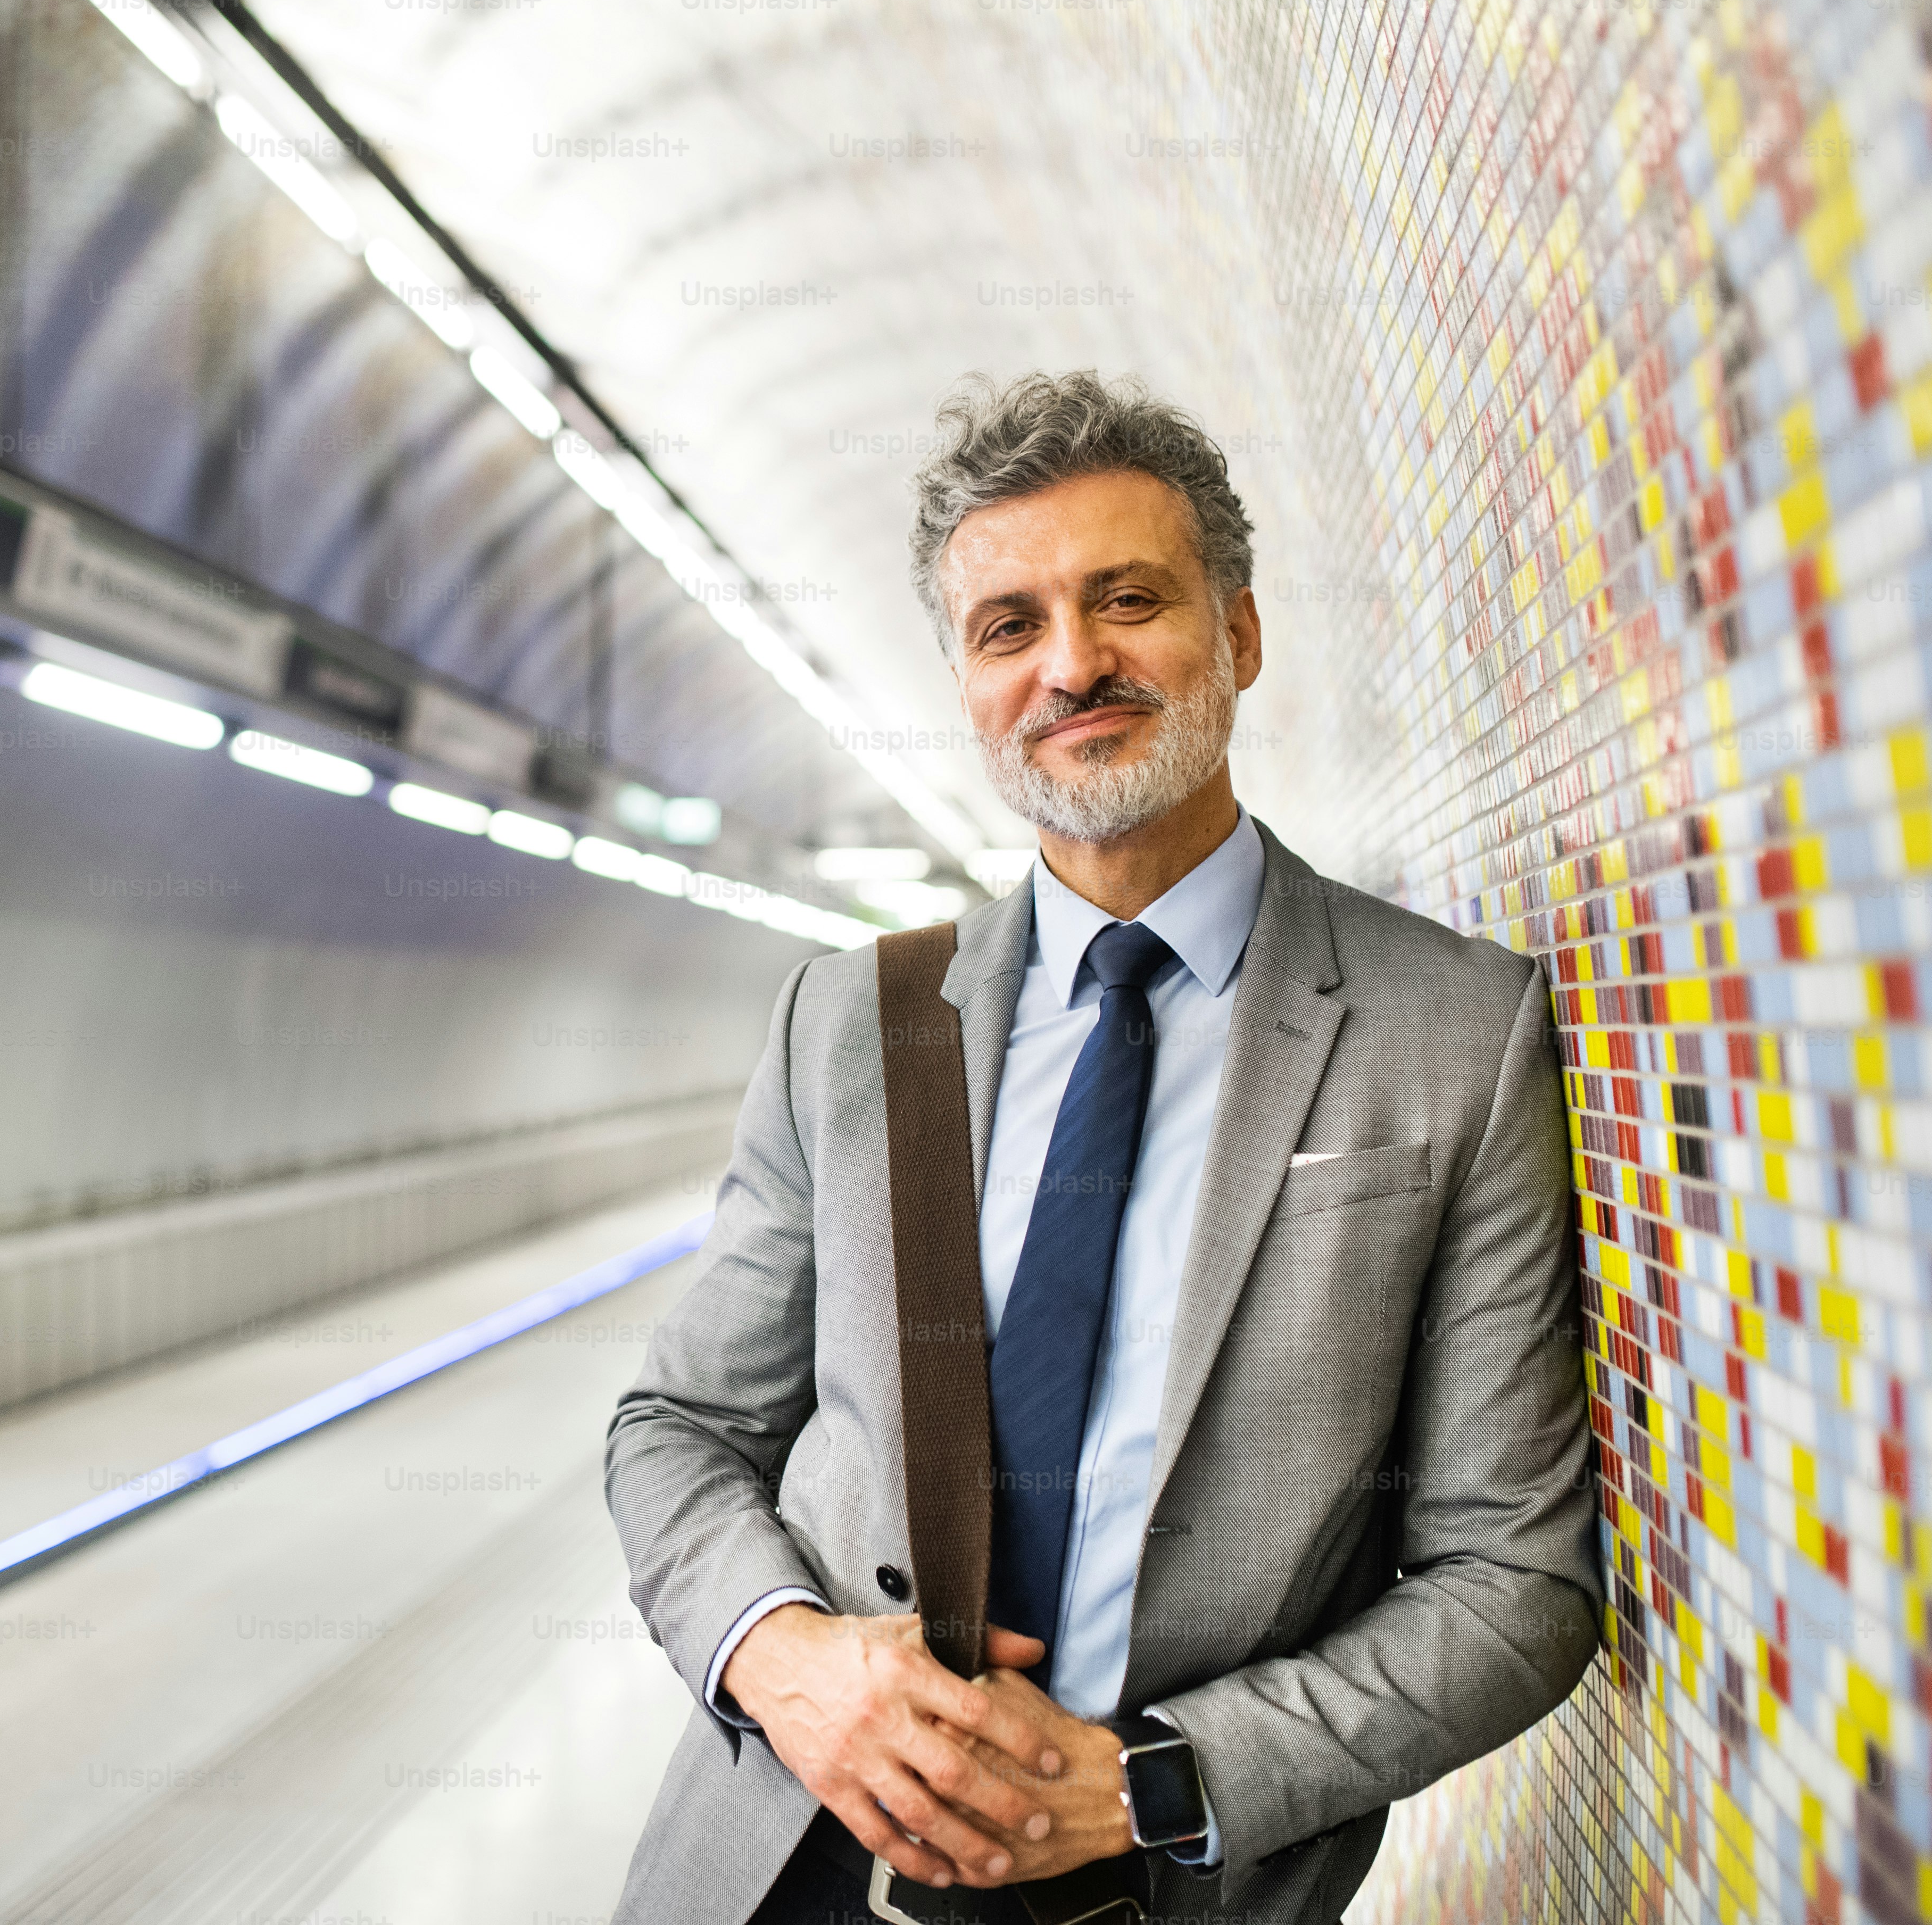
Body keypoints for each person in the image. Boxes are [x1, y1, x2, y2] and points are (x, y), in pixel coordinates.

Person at [606, 372, 1602, 1924]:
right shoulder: (853, 1026)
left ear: (1242, 634)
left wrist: (1149, 1785)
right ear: (967, 679)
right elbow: (677, 1427)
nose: (1073, 665)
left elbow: (1517, 1586)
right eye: (1011, 627)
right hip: (782, 1865)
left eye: (1126, 599)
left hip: (1166, 1889)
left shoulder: (1452, 1036)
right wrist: (785, 1659)